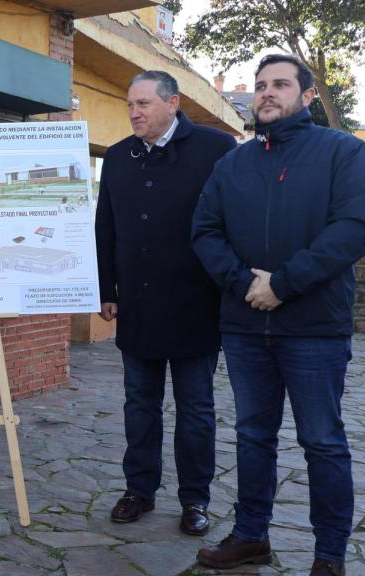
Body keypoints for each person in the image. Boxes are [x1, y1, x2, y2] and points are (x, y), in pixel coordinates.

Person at [192, 54, 365, 576]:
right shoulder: (232, 163)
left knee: (322, 441)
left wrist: (282, 284)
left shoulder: (343, 153)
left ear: (308, 94)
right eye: (260, 86)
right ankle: (251, 536)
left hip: (315, 329)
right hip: (246, 326)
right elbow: (205, 232)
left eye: (280, 84)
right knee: (252, 435)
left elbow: (356, 227)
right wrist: (246, 284)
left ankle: (330, 555)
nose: (266, 93)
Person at [95, 70, 236, 536]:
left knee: (195, 409)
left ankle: (196, 499)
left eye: (143, 104)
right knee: (140, 405)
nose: (134, 112)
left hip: (197, 306)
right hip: (136, 305)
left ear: (172, 103)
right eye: (130, 105)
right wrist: (106, 290)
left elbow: (233, 223)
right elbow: (106, 229)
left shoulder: (216, 150)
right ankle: (139, 490)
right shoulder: (116, 157)